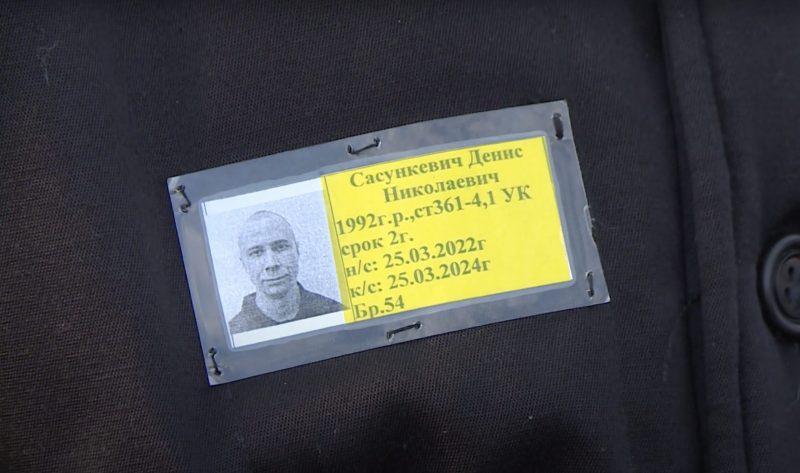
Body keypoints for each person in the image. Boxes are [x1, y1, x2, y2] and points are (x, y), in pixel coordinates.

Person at [228, 210, 344, 334]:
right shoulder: (233, 333)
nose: (271, 263)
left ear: (297, 251)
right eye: (256, 252)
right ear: (244, 264)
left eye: (281, 247)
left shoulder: (337, 314)